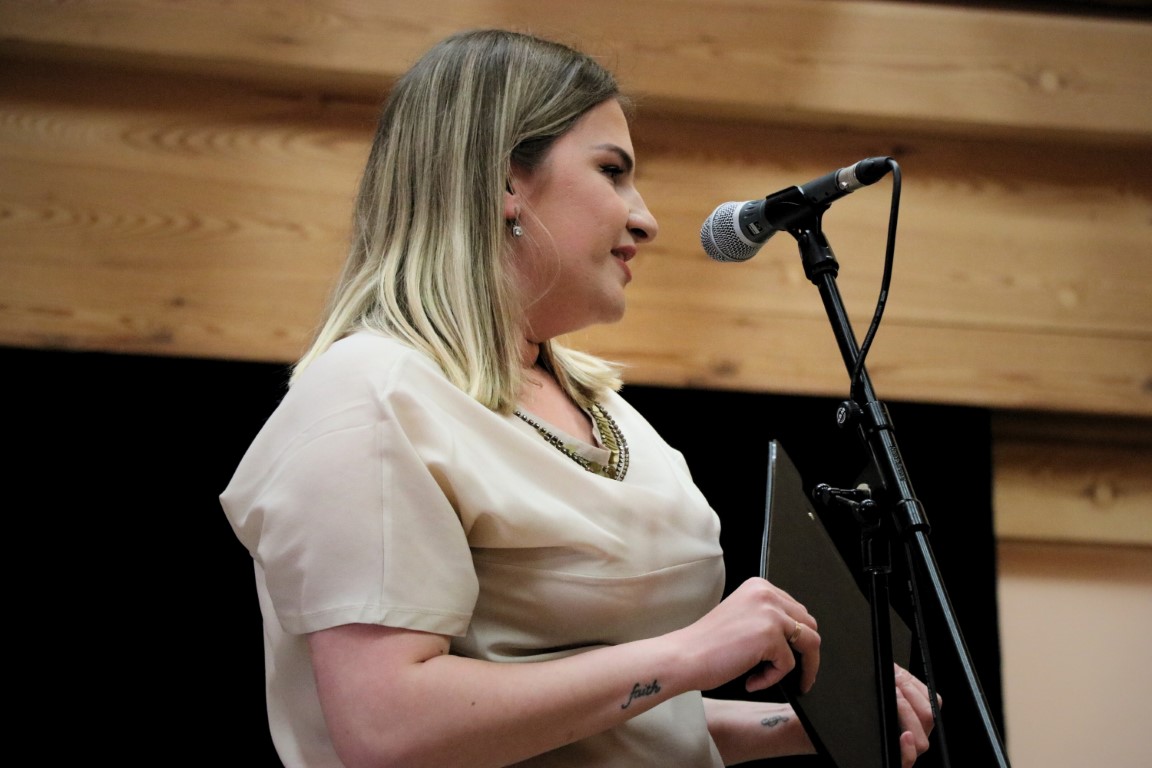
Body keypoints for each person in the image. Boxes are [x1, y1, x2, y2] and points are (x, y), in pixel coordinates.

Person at [220, 28, 937, 768]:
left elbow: (616, 725)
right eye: (611, 171)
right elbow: (386, 727)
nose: (645, 219)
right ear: (506, 181)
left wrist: (805, 722)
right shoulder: (371, 395)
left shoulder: (610, 411)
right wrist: (688, 654)